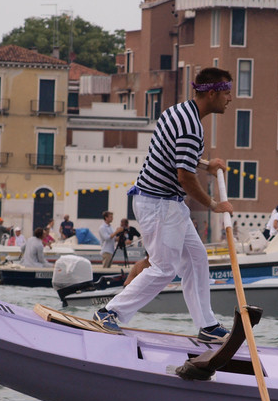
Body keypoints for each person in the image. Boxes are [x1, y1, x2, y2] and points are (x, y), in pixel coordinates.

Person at [93, 66, 234, 341]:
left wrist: (206, 164)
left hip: (164, 203)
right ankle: (109, 312)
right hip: (159, 204)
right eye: (227, 93)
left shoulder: (177, 112)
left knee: (196, 259)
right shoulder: (192, 127)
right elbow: (184, 177)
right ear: (213, 93)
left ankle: (207, 325)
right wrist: (214, 205)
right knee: (163, 268)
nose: (230, 99)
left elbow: (174, 155)